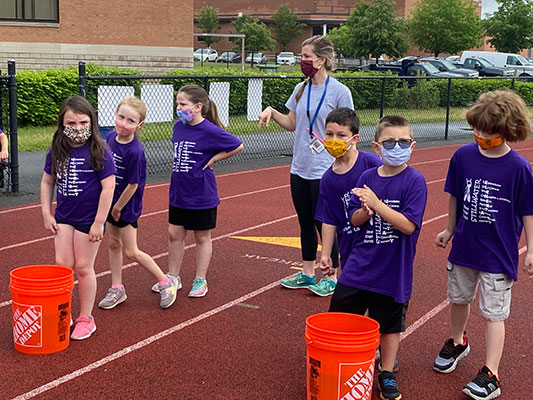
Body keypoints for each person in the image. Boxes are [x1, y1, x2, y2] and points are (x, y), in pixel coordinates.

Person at [433, 90, 533, 400]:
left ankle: (491, 372)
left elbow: (528, 210)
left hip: (498, 254)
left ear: (507, 130)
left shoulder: (518, 168)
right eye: (476, 128)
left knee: (493, 313)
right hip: (464, 247)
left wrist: (531, 248)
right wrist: (449, 229)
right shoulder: (463, 156)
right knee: (458, 298)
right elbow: (455, 196)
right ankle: (457, 341)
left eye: (488, 131)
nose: (480, 135)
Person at [329, 115, 427, 400]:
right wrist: (364, 211)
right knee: (344, 317)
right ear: (377, 147)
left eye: (403, 142)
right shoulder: (367, 177)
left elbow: (408, 225)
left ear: (412, 145)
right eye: (390, 142)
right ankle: (344, 362)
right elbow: (355, 218)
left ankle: (385, 372)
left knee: (389, 324)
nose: (397, 147)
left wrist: (377, 205)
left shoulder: (415, 181)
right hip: (359, 265)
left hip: (392, 270)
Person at [258, 35, 353, 290]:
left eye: (307, 57)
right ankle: (308, 272)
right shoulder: (301, 89)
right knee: (305, 222)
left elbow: (349, 130)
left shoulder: (339, 92)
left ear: (321, 60)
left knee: (327, 223)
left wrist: (344, 163)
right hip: (300, 166)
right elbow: (292, 124)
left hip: (326, 168)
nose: (303, 61)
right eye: (302, 56)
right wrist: (271, 111)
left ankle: (332, 276)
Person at [152, 85, 243, 298]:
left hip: (201, 194)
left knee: (201, 236)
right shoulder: (178, 127)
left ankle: (200, 279)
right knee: (175, 234)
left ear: (198, 106)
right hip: (178, 191)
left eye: (183, 104)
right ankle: (173, 276)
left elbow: (237, 145)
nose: (179, 108)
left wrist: (213, 159)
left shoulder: (209, 130)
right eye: (178, 104)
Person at [41, 95, 116, 340]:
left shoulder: (100, 150)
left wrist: (98, 222)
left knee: (84, 267)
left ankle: (86, 318)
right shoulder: (57, 149)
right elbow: (47, 181)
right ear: (62, 124)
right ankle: (65, 312)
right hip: (64, 216)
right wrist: (46, 212)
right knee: (62, 265)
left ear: (91, 123)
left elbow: (108, 187)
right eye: (71, 124)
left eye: (83, 123)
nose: (78, 129)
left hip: (88, 219)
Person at [98, 97, 179, 311]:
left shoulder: (135, 151)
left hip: (125, 205)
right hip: (111, 201)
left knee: (132, 251)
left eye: (130, 120)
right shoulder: (110, 137)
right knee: (113, 244)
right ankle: (117, 288)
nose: (123, 123)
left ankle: (165, 282)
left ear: (139, 125)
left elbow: (133, 184)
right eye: (121, 117)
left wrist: (117, 208)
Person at [313, 107, 381, 296]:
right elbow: (328, 218)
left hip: (376, 244)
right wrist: (325, 254)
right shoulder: (328, 179)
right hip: (349, 248)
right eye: (329, 134)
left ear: (355, 138)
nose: (334, 140)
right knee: (348, 302)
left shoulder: (372, 165)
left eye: (341, 135)